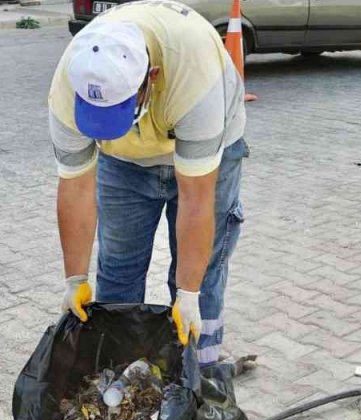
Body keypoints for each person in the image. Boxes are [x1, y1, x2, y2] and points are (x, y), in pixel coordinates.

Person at [49, 0, 247, 366]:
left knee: (198, 277)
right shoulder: (69, 81)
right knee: (118, 269)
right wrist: (74, 280)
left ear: (151, 77)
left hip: (207, 148)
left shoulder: (195, 71)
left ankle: (200, 373)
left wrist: (188, 294)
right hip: (124, 162)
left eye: (118, 111)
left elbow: (197, 198)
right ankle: (118, 372)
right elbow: (76, 187)